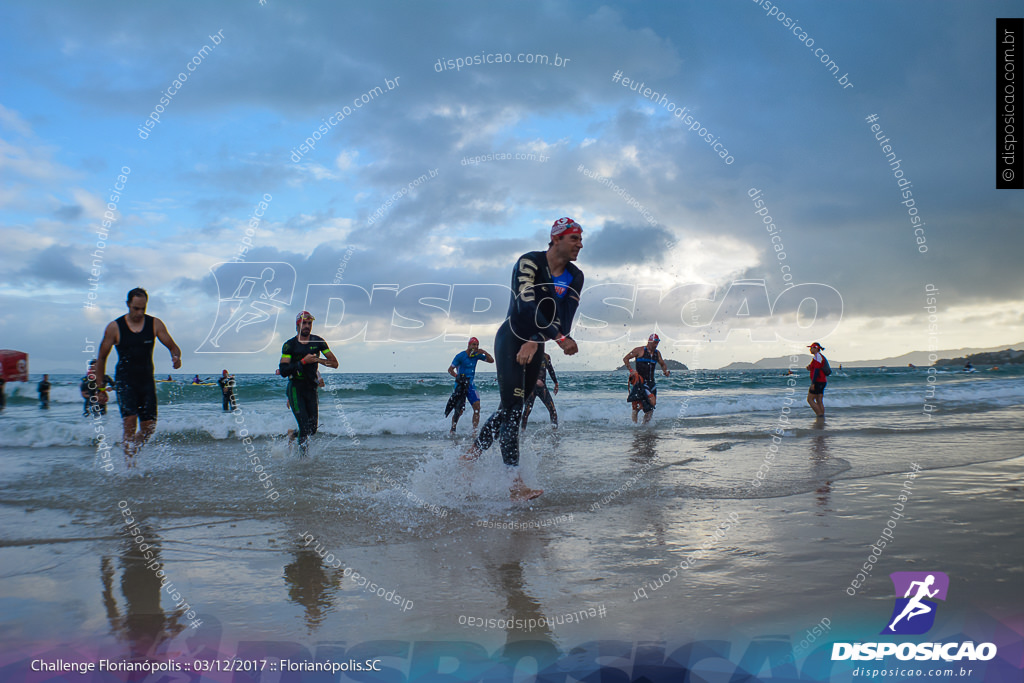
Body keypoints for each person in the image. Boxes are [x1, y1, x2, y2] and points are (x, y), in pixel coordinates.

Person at [466, 217, 585, 500]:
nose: (579, 245)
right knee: (514, 410)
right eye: (574, 239)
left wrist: (544, 339)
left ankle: (471, 456)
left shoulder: (575, 276)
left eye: (580, 240)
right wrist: (541, 338)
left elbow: (564, 320)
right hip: (513, 338)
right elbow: (525, 304)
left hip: (536, 344)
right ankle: (515, 484)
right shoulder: (528, 262)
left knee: (510, 408)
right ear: (556, 239)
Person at [95, 288, 182, 460]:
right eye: (136, 308)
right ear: (128, 304)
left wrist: (176, 356)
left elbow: (173, 346)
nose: (140, 312)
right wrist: (100, 388)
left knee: (149, 427)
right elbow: (101, 358)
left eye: (143, 308)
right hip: (125, 380)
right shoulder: (115, 327)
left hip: (146, 380)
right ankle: (129, 464)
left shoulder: (155, 324)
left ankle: (131, 451)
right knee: (130, 421)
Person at [278, 311, 338, 455]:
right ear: (298, 325)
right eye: (304, 323)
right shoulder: (289, 345)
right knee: (304, 426)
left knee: (312, 429)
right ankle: (302, 460)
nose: (307, 326)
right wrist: (303, 362)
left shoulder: (318, 342)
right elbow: (284, 370)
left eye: (309, 323)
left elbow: (334, 363)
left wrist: (317, 360)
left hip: (311, 388)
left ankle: (292, 434)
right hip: (295, 388)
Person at [447, 337, 494, 434]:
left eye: (477, 345)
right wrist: (457, 376)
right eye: (474, 344)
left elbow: (491, 361)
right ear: (469, 345)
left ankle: (474, 431)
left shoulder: (477, 355)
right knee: (459, 411)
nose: (476, 347)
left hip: (471, 385)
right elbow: (450, 370)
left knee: (477, 407)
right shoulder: (460, 356)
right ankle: (453, 429)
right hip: (460, 385)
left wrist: (484, 352)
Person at [623, 334, 670, 424]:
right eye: (654, 343)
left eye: (657, 343)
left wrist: (665, 371)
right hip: (640, 382)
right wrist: (631, 370)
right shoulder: (639, 350)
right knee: (637, 406)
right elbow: (626, 359)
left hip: (651, 382)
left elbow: (662, 364)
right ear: (649, 341)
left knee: (651, 408)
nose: (656, 345)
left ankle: (644, 427)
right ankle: (634, 426)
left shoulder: (657, 353)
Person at [521, 353, 558, 431]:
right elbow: (522, 371)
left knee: (553, 410)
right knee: (526, 412)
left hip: (543, 389)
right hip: (531, 388)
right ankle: (522, 432)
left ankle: (555, 432)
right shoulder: (528, 355)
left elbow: (550, 370)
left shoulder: (546, 357)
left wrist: (556, 383)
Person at [806, 342, 828, 418]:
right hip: (822, 381)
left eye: (811, 348)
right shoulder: (818, 357)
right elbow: (815, 368)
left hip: (818, 381)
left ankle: (819, 415)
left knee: (810, 399)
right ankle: (822, 416)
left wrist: (813, 383)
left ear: (815, 348)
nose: (810, 349)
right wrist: (810, 368)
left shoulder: (818, 357)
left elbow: (817, 370)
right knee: (819, 400)